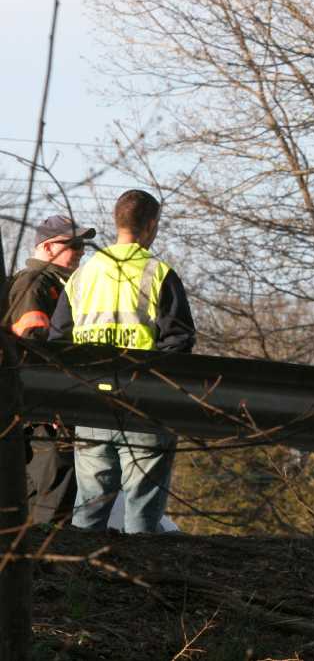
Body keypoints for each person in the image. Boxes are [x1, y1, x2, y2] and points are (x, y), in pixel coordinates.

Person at [49, 189, 196, 533]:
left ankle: (84, 583)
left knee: (88, 513)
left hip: (92, 406)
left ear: (117, 223)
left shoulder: (82, 276)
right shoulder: (159, 273)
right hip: (144, 406)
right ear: (151, 224)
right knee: (142, 517)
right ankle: (140, 582)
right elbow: (180, 341)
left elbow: (58, 342)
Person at [4, 215, 96, 523]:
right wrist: (52, 405)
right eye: (72, 244)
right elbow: (33, 349)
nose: (81, 250)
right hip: (42, 412)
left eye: (83, 244)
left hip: (43, 407)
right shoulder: (36, 284)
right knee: (51, 490)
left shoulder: (58, 284)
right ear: (46, 246)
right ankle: (45, 562)